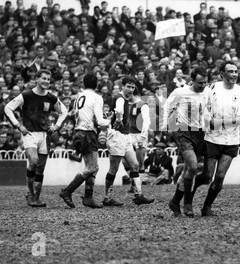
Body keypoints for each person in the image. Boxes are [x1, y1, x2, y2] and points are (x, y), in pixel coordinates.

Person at [192, 61, 240, 216]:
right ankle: (188, 194)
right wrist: (208, 121)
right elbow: (204, 109)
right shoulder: (212, 88)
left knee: (220, 177)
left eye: (236, 71)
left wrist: (217, 123)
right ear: (222, 74)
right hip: (212, 138)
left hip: (231, 140)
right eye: (230, 71)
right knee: (206, 176)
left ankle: (206, 207)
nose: (234, 74)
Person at [4, 69, 68, 207]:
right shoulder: (26, 95)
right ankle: (30, 193)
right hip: (30, 134)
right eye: (43, 78)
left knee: (40, 168)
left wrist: (56, 126)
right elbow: (8, 108)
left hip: (45, 135)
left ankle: (36, 197)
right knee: (33, 161)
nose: (46, 81)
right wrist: (18, 125)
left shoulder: (51, 98)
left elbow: (64, 111)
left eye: (48, 79)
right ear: (37, 79)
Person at [163, 66, 210, 217]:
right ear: (192, 81)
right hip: (183, 131)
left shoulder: (207, 92)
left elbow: (207, 111)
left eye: (205, 83)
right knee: (193, 166)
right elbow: (167, 106)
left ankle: (175, 201)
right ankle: (188, 204)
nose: (202, 86)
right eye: (199, 83)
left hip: (199, 132)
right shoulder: (180, 92)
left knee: (190, 171)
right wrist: (165, 125)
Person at [59, 73, 112, 208]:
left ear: (84, 83)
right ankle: (68, 191)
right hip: (88, 133)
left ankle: (88, 197)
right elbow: (100, 121)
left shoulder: (79, 96)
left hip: (78, 132)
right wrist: (111, 119)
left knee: (92, 167)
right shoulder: (97, 97)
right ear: (97, 84)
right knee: (92, 167)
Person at [103, 76, 154, 206]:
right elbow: (119, 110)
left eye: (132, 87)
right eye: (128, 87)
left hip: (125, 136)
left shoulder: (124, 99)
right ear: (123, 86)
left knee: (135, 165)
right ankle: (107, 197)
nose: (131, 89)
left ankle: (139, 195)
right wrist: (118, 120)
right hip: (117, 136)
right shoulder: (120, 98)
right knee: (113, 168)